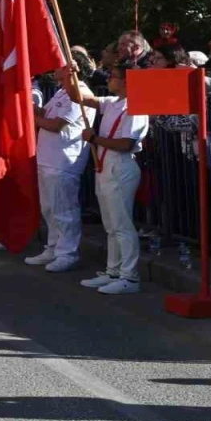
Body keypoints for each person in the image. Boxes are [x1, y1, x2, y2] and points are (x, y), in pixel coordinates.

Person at [68, 63, 150, 295]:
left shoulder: (136, 108)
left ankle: (130, 277)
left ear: (126, 81)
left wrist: (95, 138)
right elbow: (79, 97)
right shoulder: (112, 103)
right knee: (111, 226)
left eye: (113, 77)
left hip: (121, 168)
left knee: (122, 225)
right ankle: (113, 271)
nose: (108, 80)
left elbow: (126, 144)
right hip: (105, 167)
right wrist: (68, 76)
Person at [25, 63, 93, 273]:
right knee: (49, 207)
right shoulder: (61, 91)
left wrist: (30, 118)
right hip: (48, 157)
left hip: (64, 160)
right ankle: (53, 247)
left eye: (59, 65)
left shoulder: (80, 93)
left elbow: (56, 125)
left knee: (64, 209)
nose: (53, 68)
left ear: (72, 68)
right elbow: (45, 113)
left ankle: (67, 253)